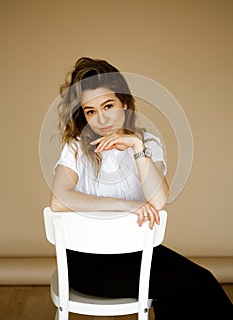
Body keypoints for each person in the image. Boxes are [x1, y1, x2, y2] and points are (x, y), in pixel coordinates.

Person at [50, 57, 232, 319]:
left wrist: (136, 147)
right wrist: (126, 205)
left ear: (124, 103)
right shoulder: (76, 148)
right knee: (178, 285)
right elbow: (58, 199)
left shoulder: (147, 143)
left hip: (137, 254)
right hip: (87, 263)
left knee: (204, 280)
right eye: (90, 111)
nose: (101, 119)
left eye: (108, 105)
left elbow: (158, 200)